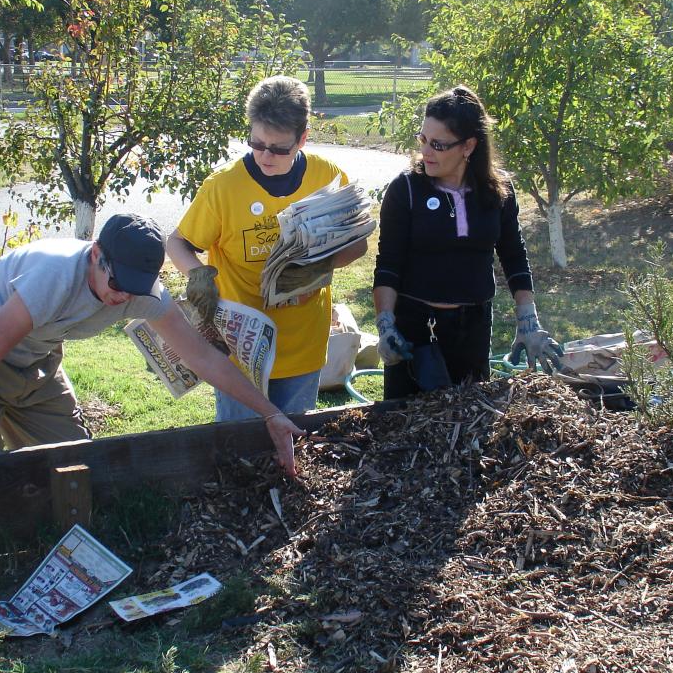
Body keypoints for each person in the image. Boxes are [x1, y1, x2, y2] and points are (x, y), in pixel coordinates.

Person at [0, 213, 304, 521]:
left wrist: (270, 413)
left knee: (76, 460)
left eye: (135, 289)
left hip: (35, 354)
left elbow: (203, 357)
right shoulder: (53, 276)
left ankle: (53, 536)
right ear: (95, 254)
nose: (122, 297)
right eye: (117, 282)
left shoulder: (143, 294)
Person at [165, 76, 368, 421]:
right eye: (256, 143)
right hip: (240, 350)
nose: (264, 156)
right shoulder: (223, 186)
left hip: (303, 343)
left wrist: (320, 268)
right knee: (239, 450)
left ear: (302, 138)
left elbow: (359, 244)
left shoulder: (327, 177)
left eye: (278, 148)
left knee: (293, 442)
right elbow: (178, 243)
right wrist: (196, 274)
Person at [372, 85, 562, 400]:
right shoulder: (405, 191)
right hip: (413, 332)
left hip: (472, 328)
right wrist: (386, 325)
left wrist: (528, 320)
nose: (426, 151)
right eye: (422, 139)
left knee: (467, 420)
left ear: (468, 146)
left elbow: (514, 256)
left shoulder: (498, 191)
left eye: (438, 144)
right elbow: (388, 266)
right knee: (405, 426)